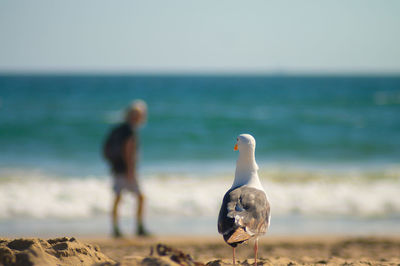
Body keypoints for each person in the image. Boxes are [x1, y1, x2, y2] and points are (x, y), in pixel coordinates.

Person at [103, 100, 149, 237]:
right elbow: (128, 152)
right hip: (126, 170)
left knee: (117, 198)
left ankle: (115, 229)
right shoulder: (129, 131)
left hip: (116, 168)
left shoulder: (119, 130)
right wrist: (130, 171)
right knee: (140, 198)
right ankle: (139, 228)